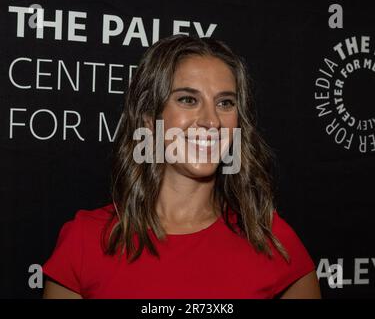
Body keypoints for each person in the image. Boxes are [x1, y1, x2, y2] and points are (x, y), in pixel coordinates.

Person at [42, 34, 321, 299]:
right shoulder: (86, 240)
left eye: (225, 103)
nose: (211, 121)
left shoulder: (269, 237)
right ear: (149, 118)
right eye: (188, 99)